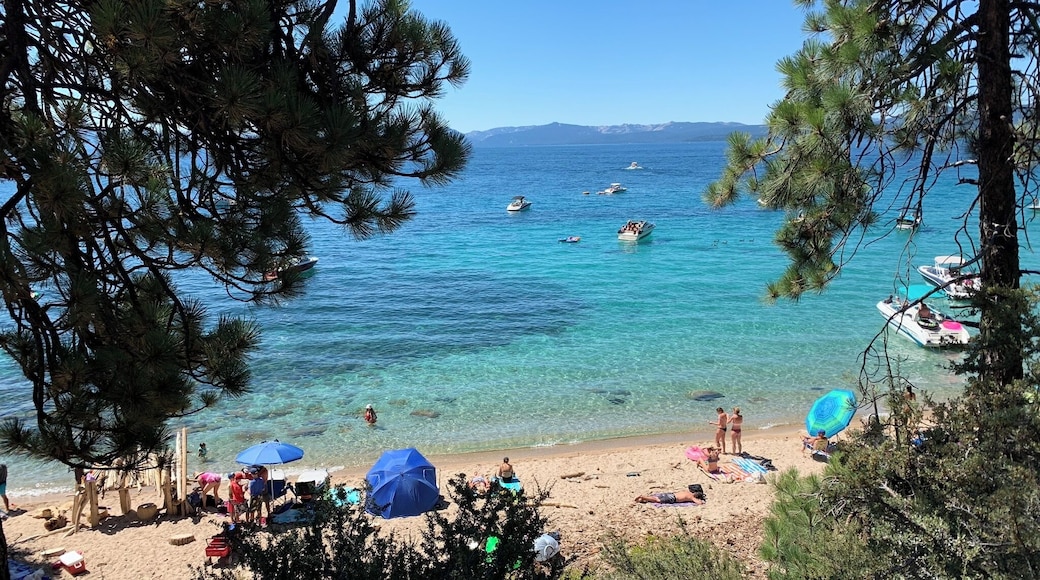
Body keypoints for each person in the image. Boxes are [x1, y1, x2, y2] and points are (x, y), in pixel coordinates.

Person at [634, 489, 705, 504]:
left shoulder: (687, 492)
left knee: (657, 498)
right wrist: (701, 501)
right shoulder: (691, 497)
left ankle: (643, 499)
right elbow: (699, 503)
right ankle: (643, 497)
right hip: (672, 498)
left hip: (671, 494)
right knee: (657, 500)